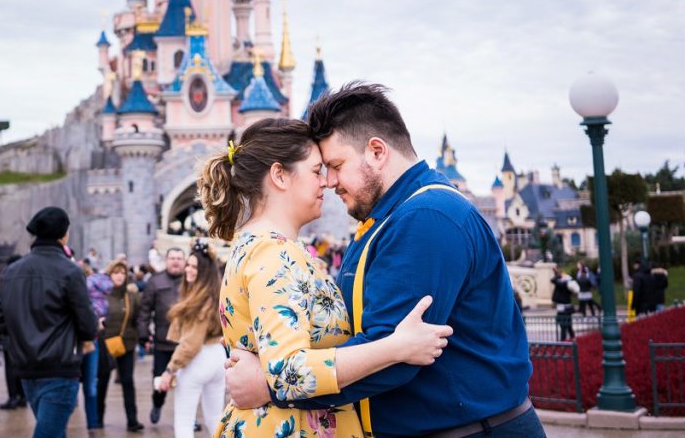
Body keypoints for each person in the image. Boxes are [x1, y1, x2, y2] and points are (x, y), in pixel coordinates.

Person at [226, 84, 543, 438]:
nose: (329, 182)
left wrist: (271, 388)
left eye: (335, 165)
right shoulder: (391, 219)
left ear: (376, 152)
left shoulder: (426, 218)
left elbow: (394, 358)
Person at [200, 118, 452, 438]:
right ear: (279, 175)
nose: (327, 182)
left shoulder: (268, 247)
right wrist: (395, 348)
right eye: (317, 170)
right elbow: (288, 371)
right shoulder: (273, 253)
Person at [0, 207, 97, 438]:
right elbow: (88, 326)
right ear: (65, 235)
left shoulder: (11, 271)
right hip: (60, 367)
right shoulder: (71, 272)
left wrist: (18, 345)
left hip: (27, 367)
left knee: (53, 430)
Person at [154, 244, 228, 438]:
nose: (188, 269)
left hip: (198, 359)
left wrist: (170, 370)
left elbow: (190, 343)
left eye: (194, 267)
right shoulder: (215, 295)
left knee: (184, 421)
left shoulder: (200, 300)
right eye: (188, 265)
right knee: (215, 419)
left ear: (203, 272)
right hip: (217, 359)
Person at [136, 246, 186, 424]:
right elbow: (144, 311)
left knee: (188, 385)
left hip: (186, 345)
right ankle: (157, 404)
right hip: (162, 344)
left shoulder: (191, 281)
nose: (175, 261)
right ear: (166, 260)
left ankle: (188, 417)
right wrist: (143, 335)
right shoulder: (155, 282)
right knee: (160, 383)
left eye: (179, 258)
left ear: (184, 261)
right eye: (172, 258)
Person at [97, 260, 143, 432]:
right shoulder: (102, 295)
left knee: (127, 381)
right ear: (110, 275)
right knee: (102, 381)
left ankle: (132, 420)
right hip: (105, 343)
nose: (119, 276)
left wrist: (140, 336)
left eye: (122, 273)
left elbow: (138, 317)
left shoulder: (131, 296)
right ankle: (98, 418)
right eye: (115, 272)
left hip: (126, 343)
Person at [82, 261, 111, 434]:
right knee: (89, 386)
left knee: (90, 385)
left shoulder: (94, 294)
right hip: (85, 340)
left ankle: (93, 424)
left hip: (89, 341)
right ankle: (92, 424)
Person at [0, 254, 28, 411]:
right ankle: (23, 396)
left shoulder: (5, 280)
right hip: (26, 332)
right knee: (23, 364)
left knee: (10, 367)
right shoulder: (30, 281)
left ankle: (13, 397)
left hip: (9, 331)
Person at [551, 267, 578, 340]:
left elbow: (553, 280)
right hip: (568, 307)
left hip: (563, 308)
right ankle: (572, 338)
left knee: (563, 325)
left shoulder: (562, 283)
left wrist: (558, 275)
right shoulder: (568, 282)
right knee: (569, 325)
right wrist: (558, 274)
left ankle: (563, 341)